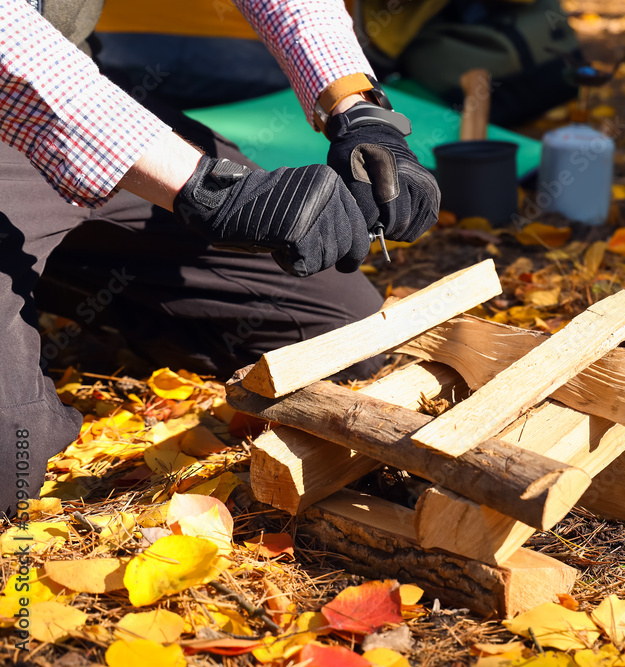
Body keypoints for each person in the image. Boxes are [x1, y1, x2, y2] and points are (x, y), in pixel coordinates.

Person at [0, 0, 441, 519]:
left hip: (82, 95)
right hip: (36, 104)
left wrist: (359, 112)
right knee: (10, 465)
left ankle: (60, 270)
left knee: (342, 337)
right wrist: (206, 190)